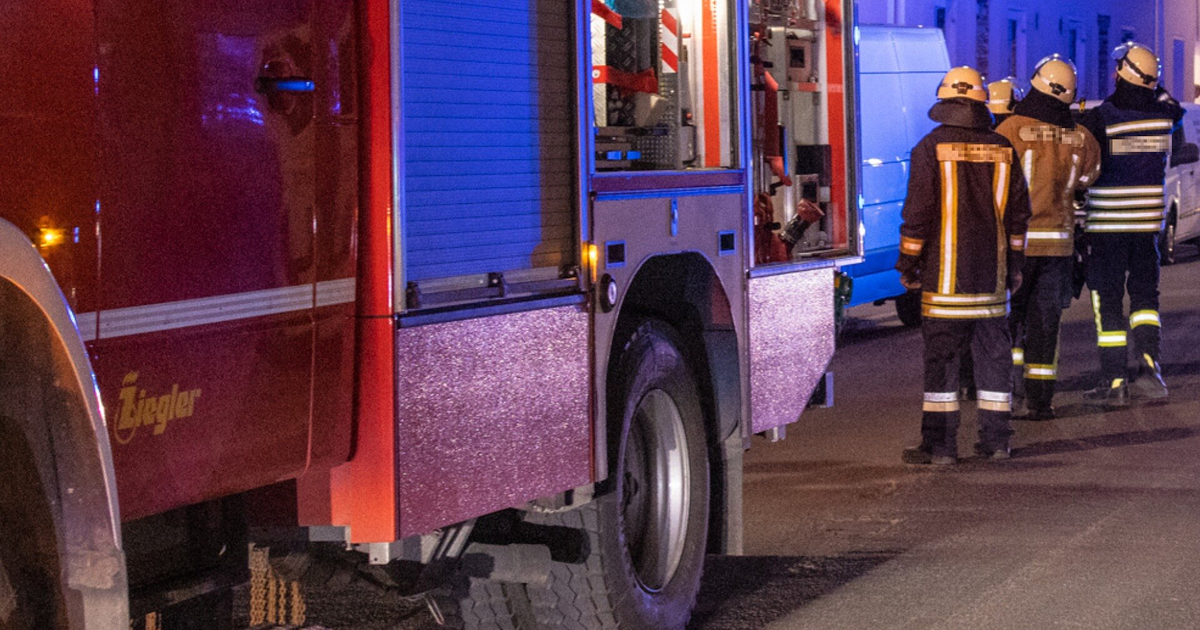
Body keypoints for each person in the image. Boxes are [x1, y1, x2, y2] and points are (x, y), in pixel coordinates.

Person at [898, 67, 1032, 465]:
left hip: (943, 281)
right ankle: (997, 442)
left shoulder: (929, 148)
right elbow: (1018, 216)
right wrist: (1016, 265)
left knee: (942, 362)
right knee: (994, 359)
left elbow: (918, 214)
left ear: (944, 102)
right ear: (980, 104)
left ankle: (939, 446)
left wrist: (908, 262)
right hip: (992, 279)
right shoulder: (1003, 148)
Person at [1078, 43, 1185, 408]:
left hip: (1107, 228)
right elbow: (1174, 108)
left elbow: (1085, 167)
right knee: (1144, 300)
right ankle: (1150, 370)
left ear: (1123, 72)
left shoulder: (1100, 118)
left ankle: (1114, 381)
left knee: (1107, 303)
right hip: (1146, 229)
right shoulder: (1165, 118)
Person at [996, 56, 1101, 420]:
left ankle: (1000, 395)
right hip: (1059, 247)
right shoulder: (1082, 137)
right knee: (1046, 326)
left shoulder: (1010, 130)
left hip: (1017, 247)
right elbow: (1088, 181)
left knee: (1008, 323)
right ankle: (1040, 402)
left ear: (1037, 83)